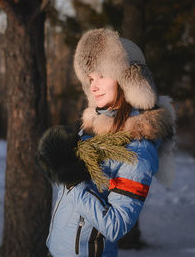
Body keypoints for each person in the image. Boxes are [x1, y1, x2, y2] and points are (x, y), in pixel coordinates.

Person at [36, 28, 176, 257]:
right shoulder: (91, 128)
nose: (93, 86)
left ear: (128, 79)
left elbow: (116, 224)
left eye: (101, 75)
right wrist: (55, 161)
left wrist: (73, 182)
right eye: (91, 78)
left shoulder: (137, 146)